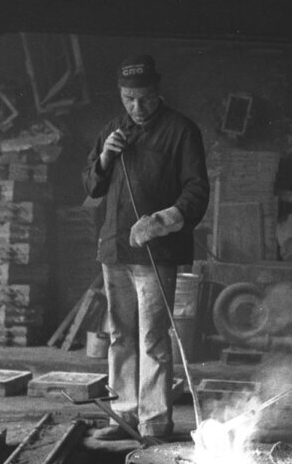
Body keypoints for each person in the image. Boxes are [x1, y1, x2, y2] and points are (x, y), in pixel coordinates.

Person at [82, 54, 209, 441]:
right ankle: (123, 418)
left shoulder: (180, 131)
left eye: (144, 99)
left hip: (157, 254)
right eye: (128, 99)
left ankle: (154, 423)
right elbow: (92, 186)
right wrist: (106, 156)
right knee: (120, 335)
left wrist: (160, 221)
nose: (137, 107)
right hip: (115, 249)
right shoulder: (112, 129)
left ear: (158, 92)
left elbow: (197, 190)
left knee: (153, 337)